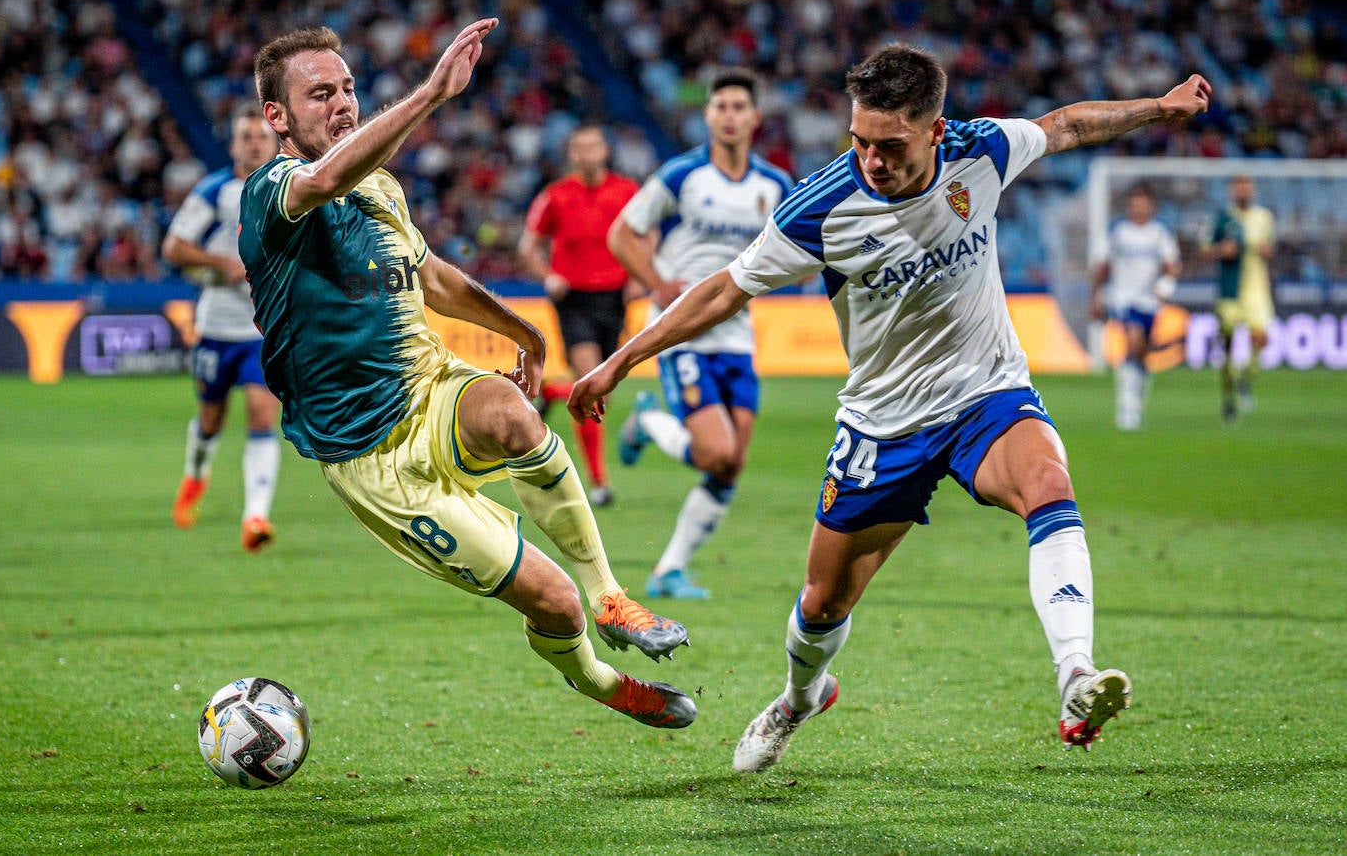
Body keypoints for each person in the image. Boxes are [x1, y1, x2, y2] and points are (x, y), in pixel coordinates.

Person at [571, 43, 1212, 769]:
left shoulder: (983, 152)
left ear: (935, 131)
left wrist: (1160, 107)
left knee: (1049, 485)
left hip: (985, 395)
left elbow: (1065, 126)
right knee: (821, 604)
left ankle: (1075, 675)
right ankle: (797, 700)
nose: (871, 160)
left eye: (889, 145)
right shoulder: (823, 208)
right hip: (882, 425)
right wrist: (622, 360)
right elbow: (725, 289)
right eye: (859, 141)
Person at [237, 20, 694, 730]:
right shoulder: (272, 191)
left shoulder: (381, 188)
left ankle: (611, 594)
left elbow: (430, 275)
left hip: (426, 387)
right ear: (278, 117)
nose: (343, 103)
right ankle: (603, 681)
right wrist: (432, 93)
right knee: (552, 604)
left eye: (349, 88)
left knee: (514, 415)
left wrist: (521, 329)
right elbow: (325, 178)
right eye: (320, 94)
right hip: (369, 454)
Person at [606, 68, 793, 600]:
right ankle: (649, 419)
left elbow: (803, 248)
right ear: (708, 115)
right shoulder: (683, 174)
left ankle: (668, 570)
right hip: (682, 330)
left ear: (755, 118)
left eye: (740, 106)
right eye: (721, 106)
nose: (730, 115)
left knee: (732, 465)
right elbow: (622, 233)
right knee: (715, 453)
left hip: (736, 334)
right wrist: (657, 282)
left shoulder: (774, 186)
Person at [166, 104, 283, 551]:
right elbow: (174, 247)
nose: (254, 143)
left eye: (261, 137)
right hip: (216, 325)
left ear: (273, 142)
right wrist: (223, 264)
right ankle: (195, 477)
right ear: (234, 145)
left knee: (261, 413)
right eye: (246, 137)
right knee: (211, 419)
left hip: (261, 331)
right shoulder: (214, 191)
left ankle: (255, 517)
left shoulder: (288, 189)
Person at [516, 125, 639, 508]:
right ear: (572, 154)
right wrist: (547, 276)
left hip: (615, 298)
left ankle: (552, 392)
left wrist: (639, 277)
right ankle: (599, 482)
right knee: (591, 381)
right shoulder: (555, 195)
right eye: (580, 148)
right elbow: (528, 247)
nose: (587, 154)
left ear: (605, 151)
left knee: (603, 389)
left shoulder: (628, 192)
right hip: (573, 298)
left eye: (594, 146)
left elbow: (646, 235)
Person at [1089, 183, 1181, 430]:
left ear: (1151, 205)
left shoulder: (1160, 231)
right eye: (1135, 202)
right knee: (1132, 341)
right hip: (1122, 297)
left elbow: (1172, 265)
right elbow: (1101, 266)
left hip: (1149, 301)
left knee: (1141, 353)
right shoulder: (1117, 230)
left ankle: (1137, 397)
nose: (1139, 207)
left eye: (1144, 202)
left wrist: (1165, 285)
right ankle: (1126, 407)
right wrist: (1096, 297)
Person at [1200, 175, 1275, 423]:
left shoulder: (1263, 217)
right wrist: (1221, 251)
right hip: (1229, 293)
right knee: (1228, 351)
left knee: (1261, 339)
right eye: (1239, 188)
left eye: (1247, 187)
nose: (1243, 192)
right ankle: (1229, 398)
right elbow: (1203, 250)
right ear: (1232, 191)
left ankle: (1246, 377)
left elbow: (1269, 248)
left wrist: (1267, 252)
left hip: (1257, 291)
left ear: (1252, 191)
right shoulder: (1222, 219)